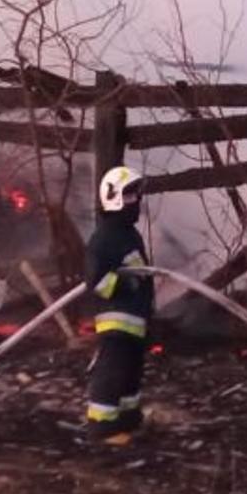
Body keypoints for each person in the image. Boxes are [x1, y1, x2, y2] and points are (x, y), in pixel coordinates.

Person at [84, 165, 153, 446]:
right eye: (129, 196)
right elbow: (95, 280)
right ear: (113, 198)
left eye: (136, 196)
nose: (136, 202)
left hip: (136, 318)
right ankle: (103, 426)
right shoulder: (105, 237)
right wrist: (126, 284)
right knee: (112, 372)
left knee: (130, 372)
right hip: (116, 321)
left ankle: (127, 417)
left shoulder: (129, 235)